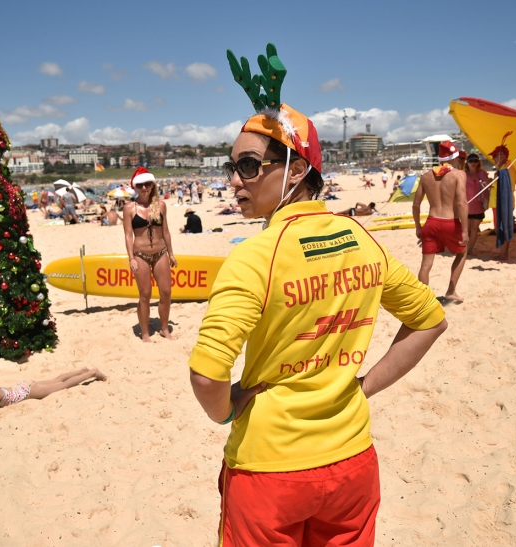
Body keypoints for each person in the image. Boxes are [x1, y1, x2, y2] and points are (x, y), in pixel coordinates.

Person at [189, 44, 447, 546]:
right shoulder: (364, 241)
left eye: (248, 166)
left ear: (297, 170)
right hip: (351, 461)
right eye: (231, 166)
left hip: (269, 471)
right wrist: (361, 388)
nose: (234, 180)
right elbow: (430, 321)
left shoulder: (254, 256)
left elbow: (206, 375)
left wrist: (226, 410)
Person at [123, 167, 177, 342]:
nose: (144, 188)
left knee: (166, 292)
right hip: (141, 255)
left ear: (152, 185)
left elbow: (166, 231)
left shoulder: (160, 205)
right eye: (140, 185)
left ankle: (164, 328)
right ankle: (145, 333)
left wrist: (171, 253)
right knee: (145, 294)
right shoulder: (130, 208)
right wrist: (131, 258)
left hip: (160, 253)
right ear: (135, 187)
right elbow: (127, 235)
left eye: (147, 184)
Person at [0, 364, 107, 422]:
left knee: (62, 385)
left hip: (29, 391)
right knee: (56, 379)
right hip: (22, 386)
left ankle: (91, 373)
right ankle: (81, 370)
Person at [413, 140, 469, 302]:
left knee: (426, 264)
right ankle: (451, 290)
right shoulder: (459, 174)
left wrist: (418, 226)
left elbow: (416, 204)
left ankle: (422, 299)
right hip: (450, 222)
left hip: (431, 222)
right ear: (454, 158)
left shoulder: (426, 176)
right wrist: (465, 230)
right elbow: (461, 202)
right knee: (462, 252)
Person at [488, 134, 516, 260]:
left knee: (503, 227)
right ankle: (502, 252)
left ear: (502, 156)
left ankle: (504, 254)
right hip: (499, 202)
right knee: (499, 228)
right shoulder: (504, 168)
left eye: (495, 156)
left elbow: (502, 186)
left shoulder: (507, 169)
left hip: (502, 202)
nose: (494, 159)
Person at [465, 153, 491, 255]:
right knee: (467, 230)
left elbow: (488, 184)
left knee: (474, 229)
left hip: (478, 206)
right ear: (467, 163)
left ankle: (469, 250)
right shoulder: (464, 174)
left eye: (475, 161)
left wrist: (486, 183)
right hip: (467, 205)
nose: (473, 163)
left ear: (478, 162)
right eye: (471, 161)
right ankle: (466, 249)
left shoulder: (482, 173)